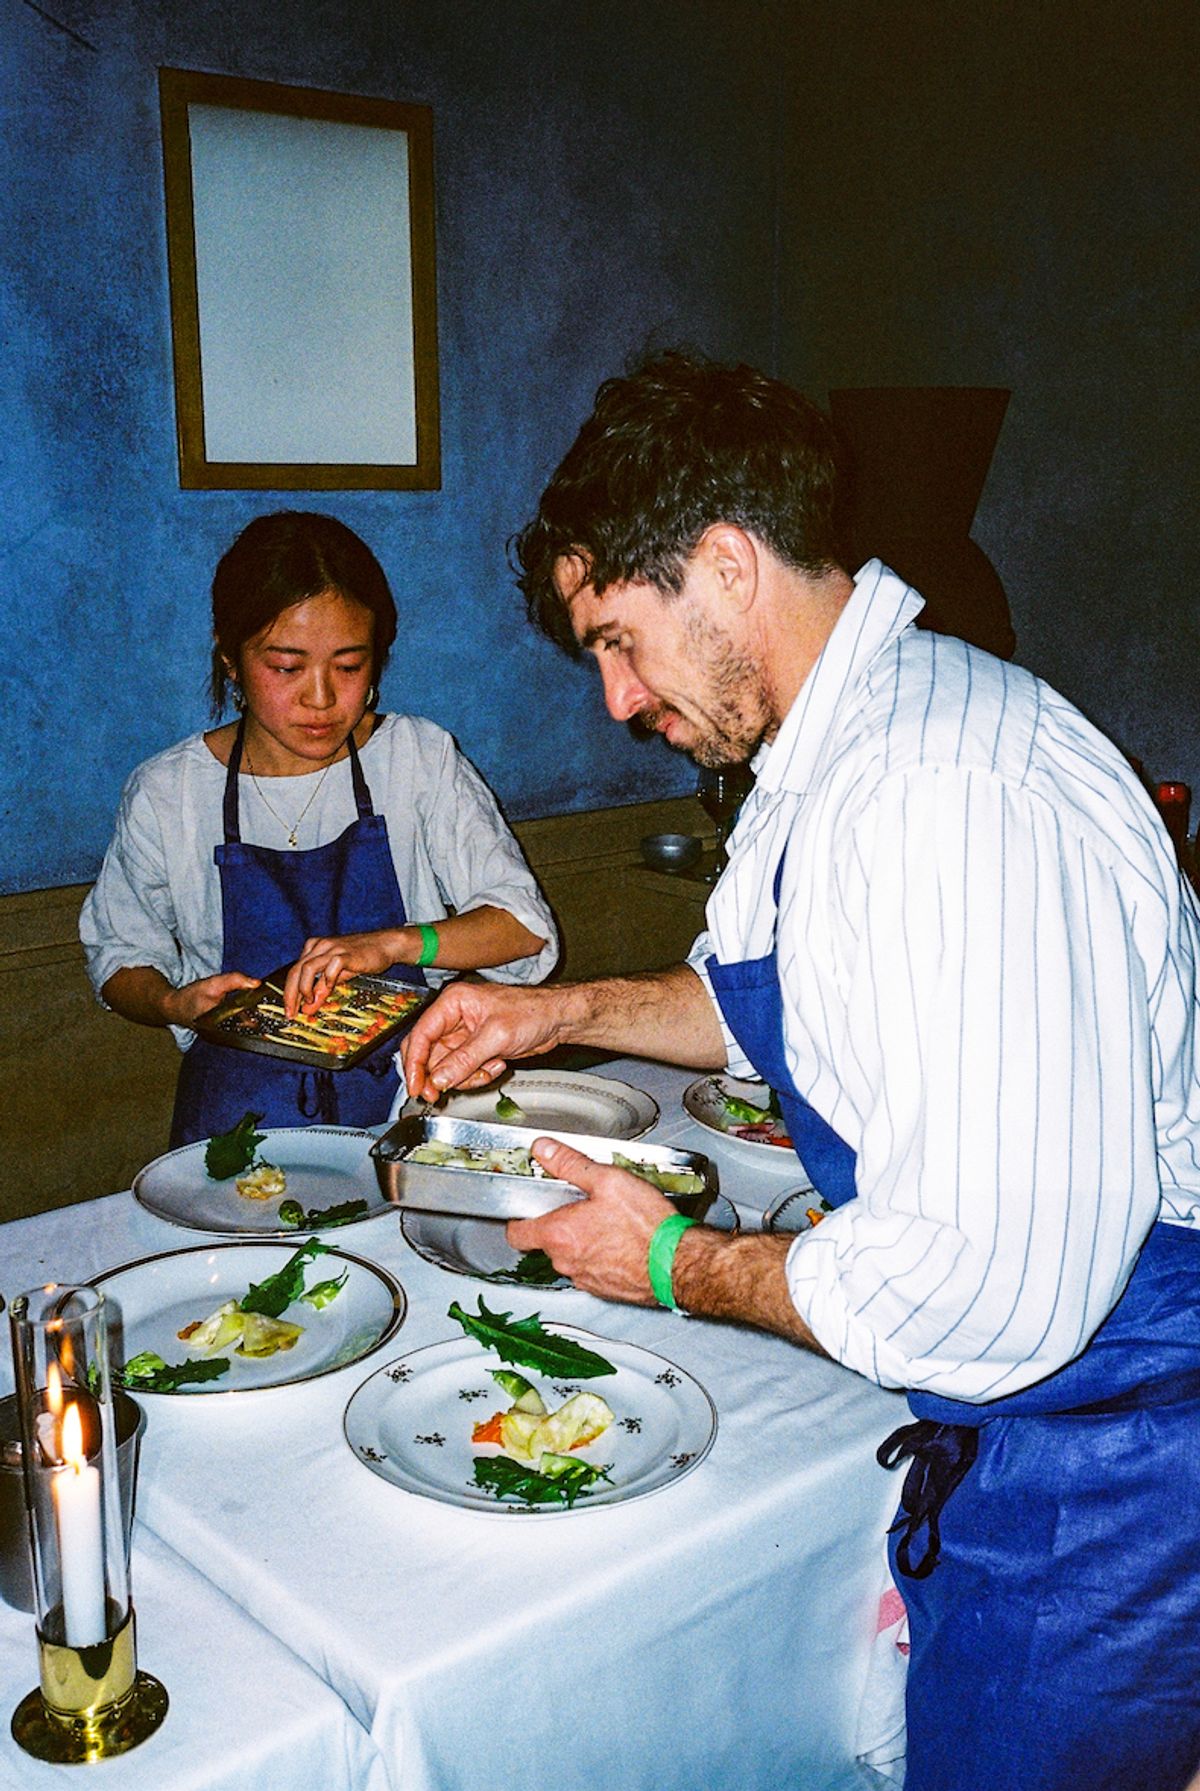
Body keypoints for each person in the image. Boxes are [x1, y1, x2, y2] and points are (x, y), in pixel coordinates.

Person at [401, 353, 1200, 1791]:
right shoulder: (844, 748)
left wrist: (672, 1262)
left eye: (620, 639)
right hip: (1052, 1419)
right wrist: (554, 1012)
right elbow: (763, 992)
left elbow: (981, 1286)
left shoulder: (940, 790)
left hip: (1119, 1447)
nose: (615, 696)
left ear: (724, 562)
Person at [81, 511, 557, 1145]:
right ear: (232, 660)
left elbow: (522, 929)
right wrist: (173, 1003)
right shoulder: (170, 791)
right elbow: (118, 956)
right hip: (234, 1125)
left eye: (349, 666)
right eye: (286, 667)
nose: (322, 699)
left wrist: (391, 945)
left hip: (404, 1104)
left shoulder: (416, 758)